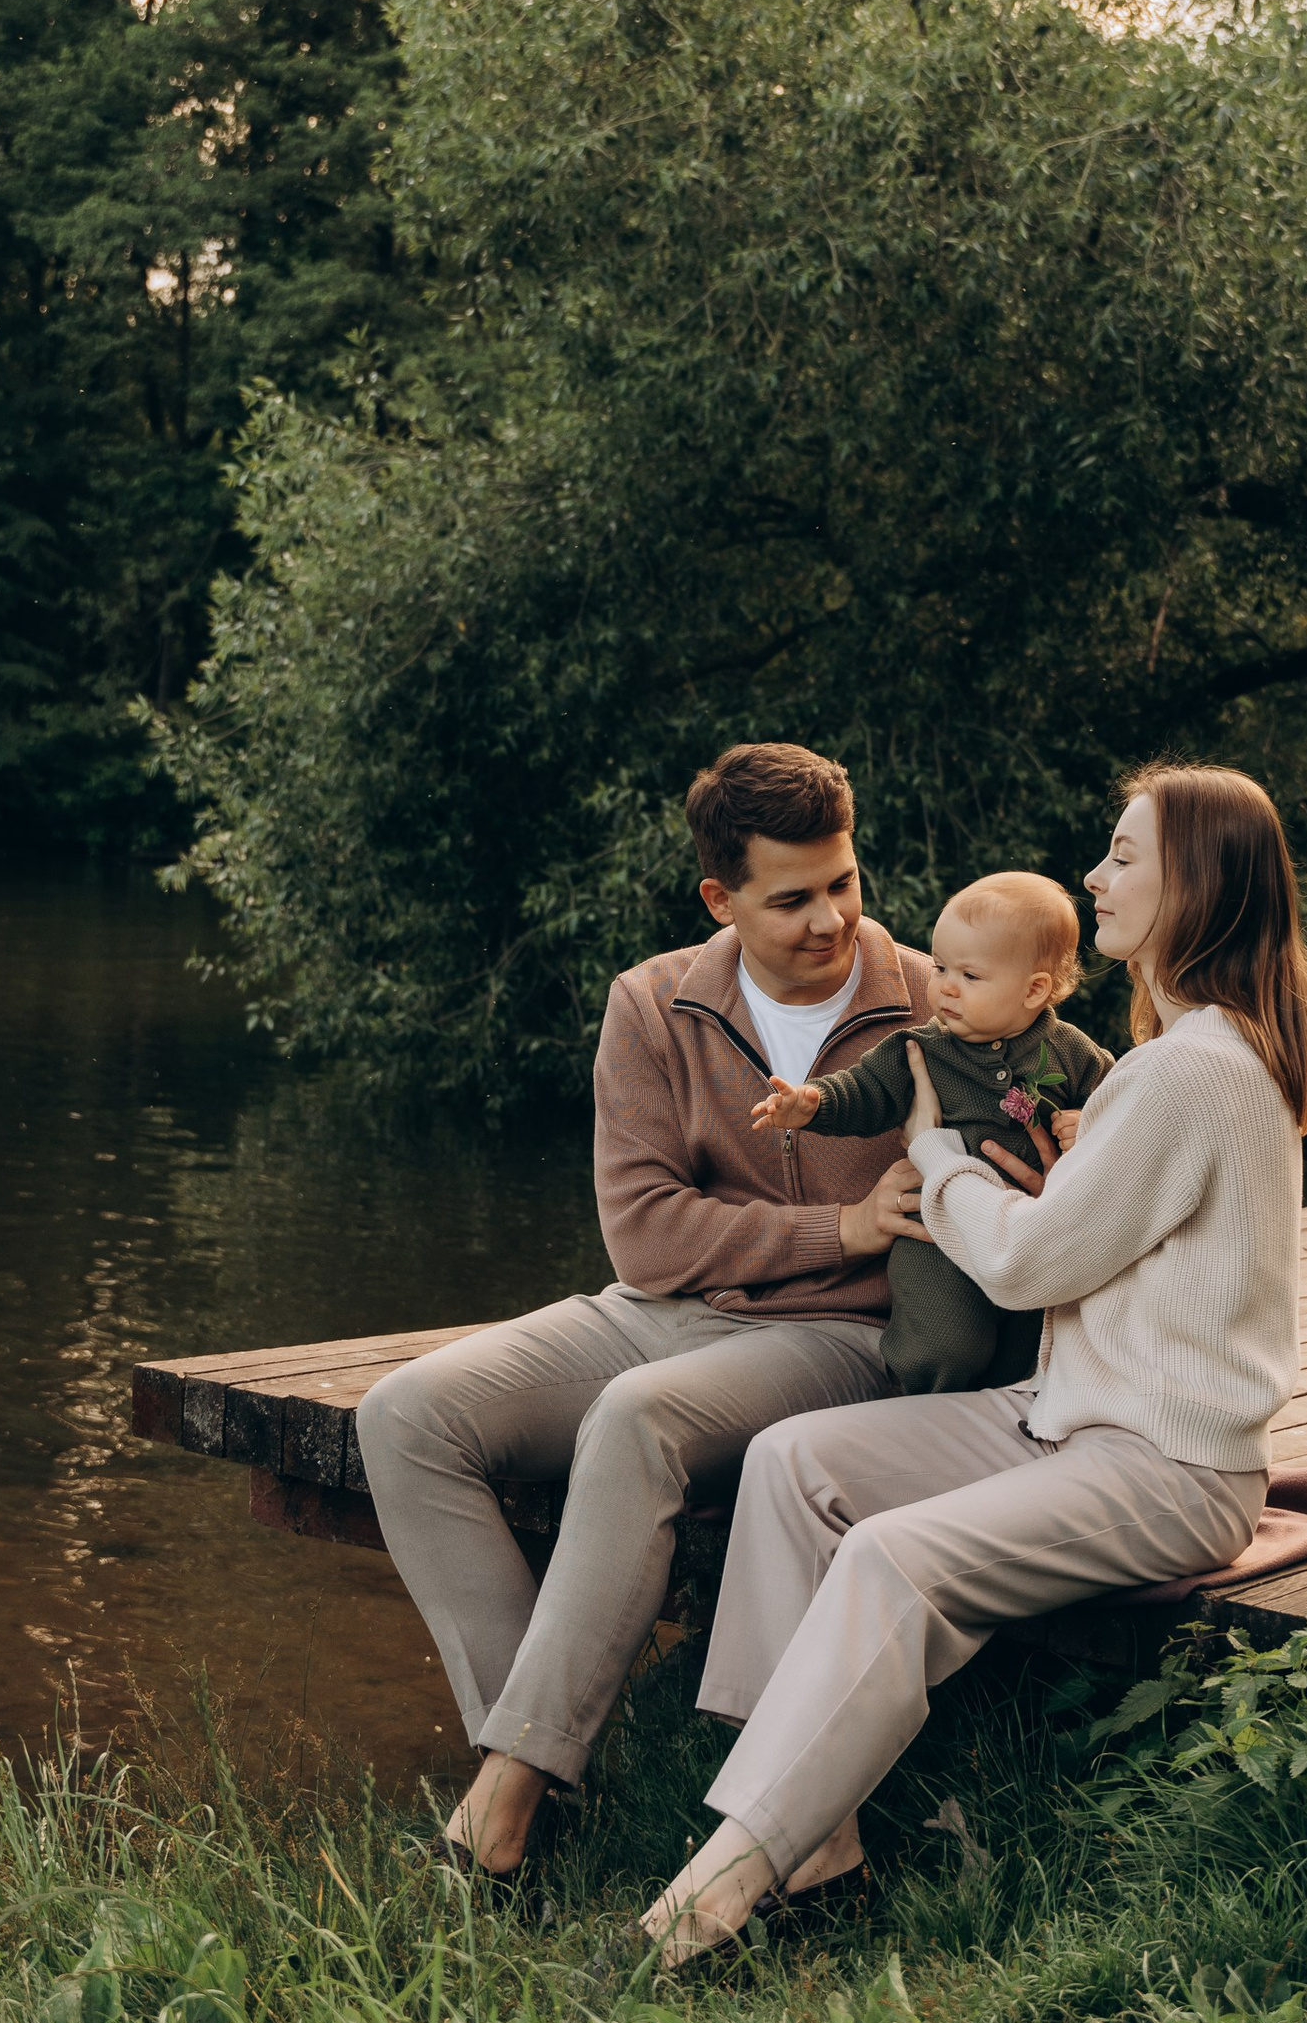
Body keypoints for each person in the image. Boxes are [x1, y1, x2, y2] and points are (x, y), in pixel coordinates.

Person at [642, 762, 1307, 1970]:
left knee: (893, 1556)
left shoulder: (1193, 1071)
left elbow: (1019, 1268)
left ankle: (708, 1897)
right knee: (794, 1461)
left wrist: (930, 1150)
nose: (1093, 877)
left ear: (1198, 884)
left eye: (1122, 857)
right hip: (1062, 1413)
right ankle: (819, 1853)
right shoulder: (1166, 1061)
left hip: (1166, 1463)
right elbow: (1077, 1233)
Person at [359, 740, 937, 1878]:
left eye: (844, 882)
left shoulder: (932, 1004)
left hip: (841, 1337)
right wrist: (840, 1225)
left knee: (637, 1417)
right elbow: (646, 1234)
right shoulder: (653, 1001)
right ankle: (536, 1758)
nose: (830, 920)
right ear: (720, 898)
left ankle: (504, 1812)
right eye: (791, 899)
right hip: (657, 1306)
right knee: (406, 1413)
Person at [750, 872, 1112, 1395]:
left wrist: (1089, 1126)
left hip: (1032, 1236)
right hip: (938, 1235)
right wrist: (813, 1103)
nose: (943, 985)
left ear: (1034, 989)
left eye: (969, 975)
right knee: (945, 1342)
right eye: (940, 966)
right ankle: (917, 1400)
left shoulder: (1072, 1053)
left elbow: (1123, 1111)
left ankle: (1012, 1414)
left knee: (1031, 1342)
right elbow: (865, 1090)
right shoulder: (920, 1048)